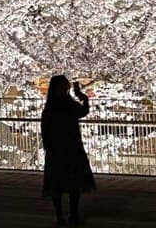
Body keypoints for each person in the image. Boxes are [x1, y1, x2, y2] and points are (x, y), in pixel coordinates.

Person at [41, 75, 95, 225]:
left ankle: (70, 214)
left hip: (67, 147)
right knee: (66, 182)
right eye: (63, 86)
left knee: (69, 182)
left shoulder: (54, 106)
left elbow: (82, 112)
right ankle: (64, 214)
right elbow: (82, 112)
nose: (65, 89)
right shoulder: (65, 105)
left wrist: (84, 98)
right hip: (64, 148)